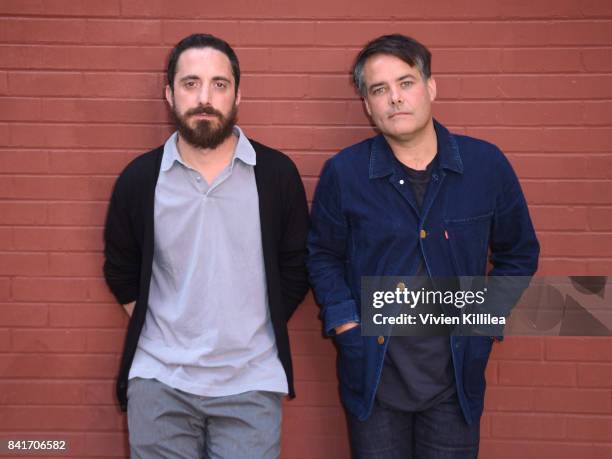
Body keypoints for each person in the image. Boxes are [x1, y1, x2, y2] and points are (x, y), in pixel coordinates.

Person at [307, 34, 539, 458]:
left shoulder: (485, 166)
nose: (394, 98)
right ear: (367, 104)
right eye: (380, 90)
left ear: (431, 87)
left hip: (455, 380)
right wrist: (347, 327)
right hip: (374, 380)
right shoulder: (344, 173)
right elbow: (322, 254)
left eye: (406, 82)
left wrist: (484, 320)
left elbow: (519, 253)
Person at [103, 33, 309, 459]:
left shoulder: (275, 175)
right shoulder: (140, 179)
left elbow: (296, 266)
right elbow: (121, 270)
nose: (204, 97)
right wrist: (170, 328)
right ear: (169, 94)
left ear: (238, 93)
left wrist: (253, 326)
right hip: (159, 384)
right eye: (190, 83)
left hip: (251, 383)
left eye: (219, 84)